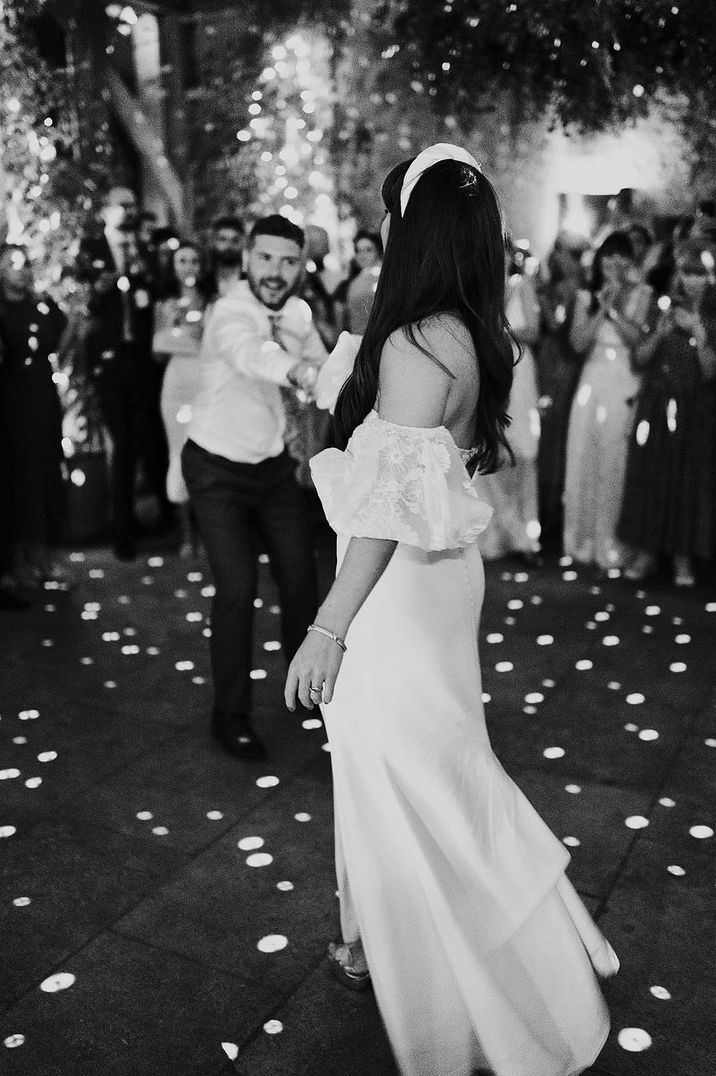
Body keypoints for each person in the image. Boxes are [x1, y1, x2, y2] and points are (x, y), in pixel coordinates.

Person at [285, 144, 618, 1076]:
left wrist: (327, 626)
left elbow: (387, 510)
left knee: (400, 770)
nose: (382, 226)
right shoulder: (469, 331)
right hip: (445, 577)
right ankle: (366, 941)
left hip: (393, 591)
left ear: (411, 229)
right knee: (427, 764)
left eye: (392, 211)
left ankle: (461, 973)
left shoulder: (414, 341)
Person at [182, 214, 327, 759]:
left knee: (300, 579)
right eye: (265, 258)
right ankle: (231, 715)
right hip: (215, 468)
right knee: (238, 587)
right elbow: (253, 354)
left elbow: (323, 365)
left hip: (271, 467)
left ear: (300, 266)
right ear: (246, 259)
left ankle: (306, 688)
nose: (275, 271)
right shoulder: (228, 312)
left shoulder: (297, 313)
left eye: (288, 260)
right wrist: (302, 374)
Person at [79, 186, 172, 559]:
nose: (131, 210)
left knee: (147, 437)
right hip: (107, 359)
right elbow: (81, 299)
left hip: (141, 359)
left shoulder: (145, 250)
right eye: (123, 205)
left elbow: (159, 293)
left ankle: (159, 516)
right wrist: (96, 289)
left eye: (134, 203)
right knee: (122, 442)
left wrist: (146, 267)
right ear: (105, 211)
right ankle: (121, 530)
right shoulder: (90, 249)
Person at [617, 239, 716, 584]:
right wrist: (659, 334)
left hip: (696, 410)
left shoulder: (712, 317)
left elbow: (710, 372)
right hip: (656, 404)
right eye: (687, 272)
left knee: (688, 483)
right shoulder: (662, 308)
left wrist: (699, 334)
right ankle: (646, 552)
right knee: (651, 477)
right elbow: (639, 359)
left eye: (699, 273)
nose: (692, 280)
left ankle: (683, 558)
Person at [563, 231, 655, 574]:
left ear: (631, 262)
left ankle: (612, 543)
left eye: (622, 257)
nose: (614, 263)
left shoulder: (643, 295)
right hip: (591, 382)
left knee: (615, 461)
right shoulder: (585, 296)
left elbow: (638, 340)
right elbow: (577, 343)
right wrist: (601, 306)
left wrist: (616, 307)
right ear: (600, 260)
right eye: (608, 256)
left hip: (624, 381)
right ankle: (581, 541)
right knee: (583, 453)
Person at [0, 244, 67, 586]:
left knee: (44, 471)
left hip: (42, 391)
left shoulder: (41, 305)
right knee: (18, 476)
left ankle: (42, 554)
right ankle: (16, 559)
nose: (21, 270)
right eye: (12, 264)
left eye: (25, 264)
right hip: (13, 396)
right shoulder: (3, 311)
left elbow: (62, 341)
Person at [475, 249, 542, 563]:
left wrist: (497, 330)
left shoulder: (520, 285)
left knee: (522, 451)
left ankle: (525, 537)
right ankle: (491, 536)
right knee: (489, 450)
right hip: (488, 366)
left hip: (518, 368)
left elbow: (533, 330)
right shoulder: (478, 285)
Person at [153, 241, 208, 557]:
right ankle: (187, 536)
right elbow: (157, 351)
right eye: (182, 261)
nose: (188, 266)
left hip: (205, 383)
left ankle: (210, 531)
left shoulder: (211, 303)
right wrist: (175, 327)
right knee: (179, 456)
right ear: (173, 267)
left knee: (206, 455)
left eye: (194, 261)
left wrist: (195, 333)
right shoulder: (165, 305)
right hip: (176, 386)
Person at [535, 237, 583, 546]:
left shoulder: (569, 289)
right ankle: (546, 508)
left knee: (555, 435)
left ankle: (552, 510)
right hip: (548, 359)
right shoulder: (557, 286)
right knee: (548, 435)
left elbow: (556, 325)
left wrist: (541, 300)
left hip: (561, 362)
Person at [335, 230, 383, 334]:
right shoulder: (350, 284)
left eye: (368, 250)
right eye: (358, 250)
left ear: (378, 251)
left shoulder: (384, 278)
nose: (363, 255)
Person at [206, 215, 245, 299]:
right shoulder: (204, 279)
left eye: (235, 240)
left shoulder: (249, 278)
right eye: (222, 240)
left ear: (242, 243)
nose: (229, 246)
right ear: (214, 242)